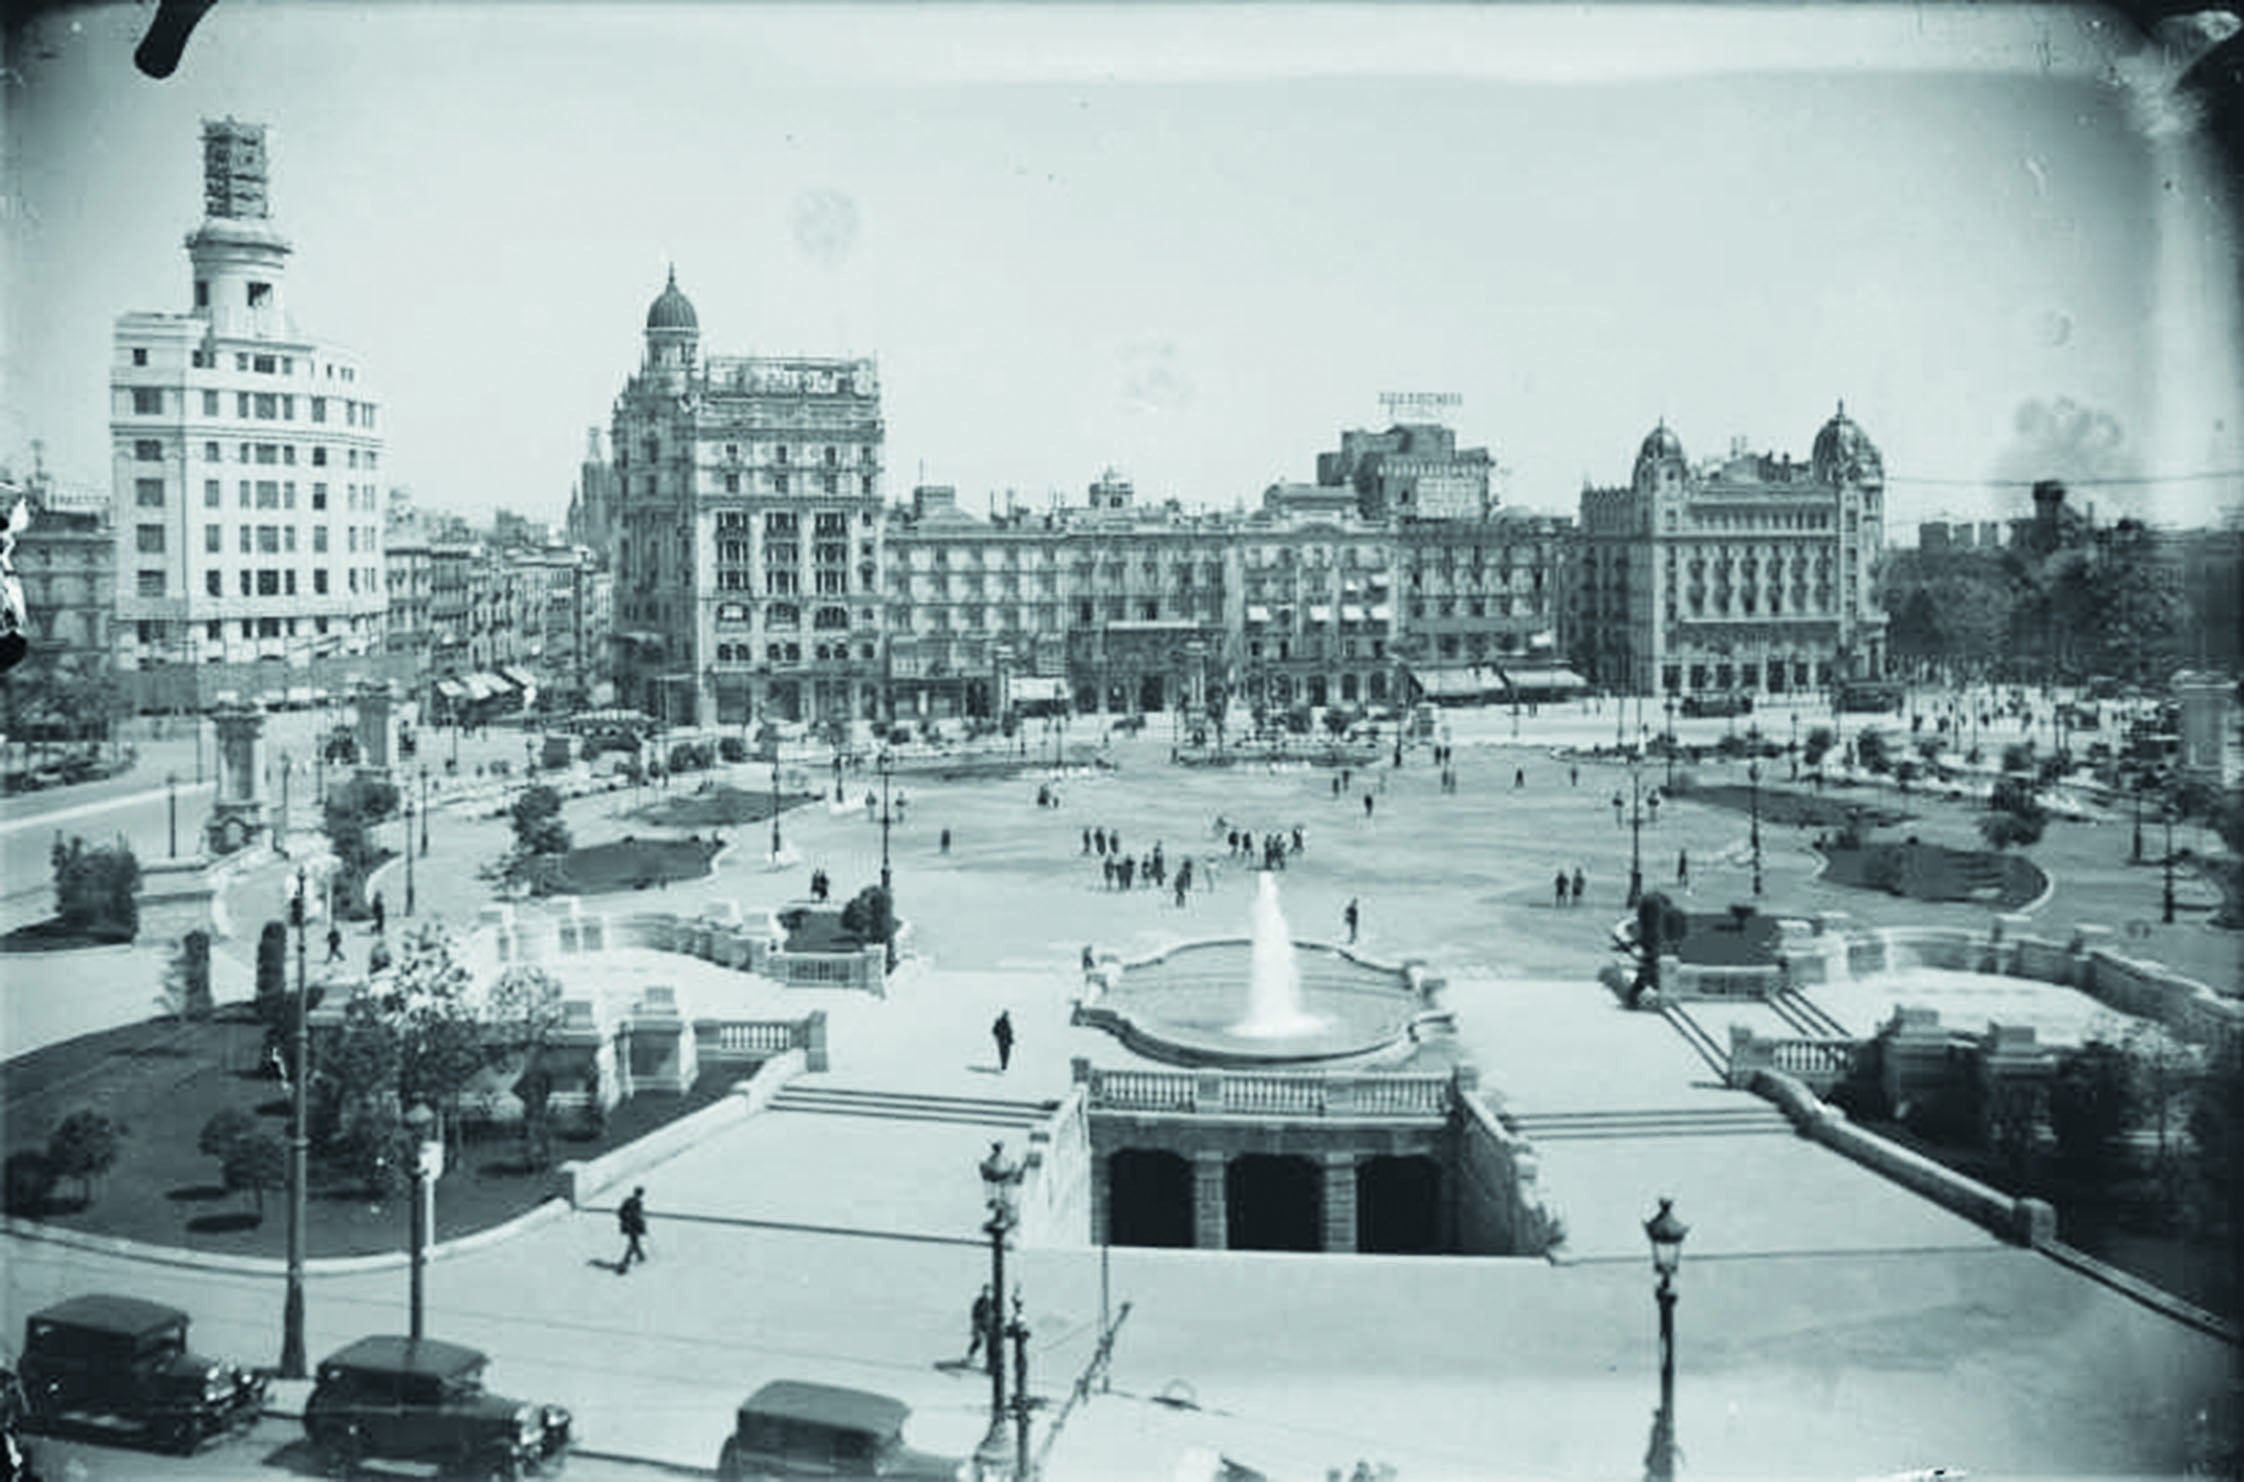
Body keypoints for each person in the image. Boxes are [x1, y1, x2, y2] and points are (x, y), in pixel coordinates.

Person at [616, 1186, 648, 1273]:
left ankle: (640, 1256)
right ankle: (627, 1260)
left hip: (633, 1225)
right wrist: (627, 1219)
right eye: (639, 1194)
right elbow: (621, 1212)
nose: (639, 1195)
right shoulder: (632, 1202)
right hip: (631, 1225)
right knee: (634, 1242)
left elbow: (639, 1216)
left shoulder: (635, 1202)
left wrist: (642, 1226)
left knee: (634, 1242)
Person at [967, 1284, 996, 1365]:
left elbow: (996, 1313)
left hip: (989, 1324)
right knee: (978, 1341)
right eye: (985, 1291)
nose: (987, 1294)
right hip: (979, 1324)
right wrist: (976, 1325)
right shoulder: (979, 1302)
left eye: (989, 1292)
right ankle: (970, 1356)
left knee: (990, 1343)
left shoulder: (993, 1302)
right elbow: (974, 1314)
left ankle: (990, 1361)